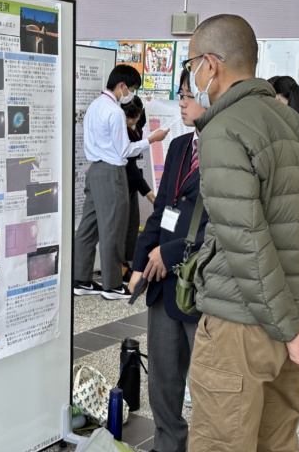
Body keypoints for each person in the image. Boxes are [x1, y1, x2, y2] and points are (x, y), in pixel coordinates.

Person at [184, 14, 299, 452]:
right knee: (277, 441)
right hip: (289, 316)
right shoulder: (298, 127)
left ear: (210, 65)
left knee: (222, 442)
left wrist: (292, 327)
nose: (191, 74)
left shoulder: (223, 130)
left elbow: (244, 242)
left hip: (241, 326)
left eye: (191, 62)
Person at [127, 69, 208, 452]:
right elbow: (162, 209)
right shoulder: (178, 146)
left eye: (190, 94)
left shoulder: (228, 150)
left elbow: (223, 224)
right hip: (162, 283)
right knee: (162, 377)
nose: (183, 101)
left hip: (201, 284)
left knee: (209, 381)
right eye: (181, 93)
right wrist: (141, 261)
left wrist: (168, 253)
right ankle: (167, 443)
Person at [73, 65, 168, 299]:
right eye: (132, 88)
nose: (131, 94)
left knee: (88, 227)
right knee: (113, 229)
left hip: (94, 170)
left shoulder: (95, 106)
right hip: (111, 172)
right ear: (122, 86)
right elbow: (125, 150)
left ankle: (81, 279)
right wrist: (152, 140)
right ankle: (112, 285)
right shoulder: (114, 111)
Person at [122, 95, 155, 276]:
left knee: (132, 225)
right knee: (122, 227)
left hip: (133, 182)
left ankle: (129, 261)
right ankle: (122, 266)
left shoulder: (138, 125)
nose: (131, 120)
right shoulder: (121, 129)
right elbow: (129, 164)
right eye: (128, 116)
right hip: (124, 181)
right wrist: (148, 192)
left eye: (135, 116)